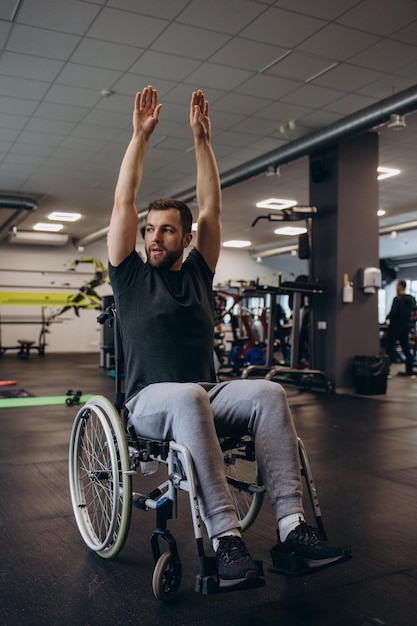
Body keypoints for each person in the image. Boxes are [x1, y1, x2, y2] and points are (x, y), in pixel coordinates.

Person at [107, 85, 351, 588]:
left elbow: (212, 206)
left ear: (186, 238)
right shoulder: (129, 276)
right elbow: (123, 199)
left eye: (167, 230)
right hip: (148, 401)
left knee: (268, 390)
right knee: (191, 396)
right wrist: (139, 137)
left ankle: (291, 529)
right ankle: (226, 539)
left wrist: (202, 141)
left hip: (202, 394)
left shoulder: (198, 272)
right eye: (150, 229)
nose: (154, 237)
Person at [385, 279, 416, 379]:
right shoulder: (411, 299)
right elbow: (414, 312)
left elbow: (393, 313)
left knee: (389, 348)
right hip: (405, 327)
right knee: (406, 349)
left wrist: (387, 318)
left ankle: (386, 372)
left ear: (400, 286)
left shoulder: (397, 299)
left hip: (395, 327)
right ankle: (410, 371)